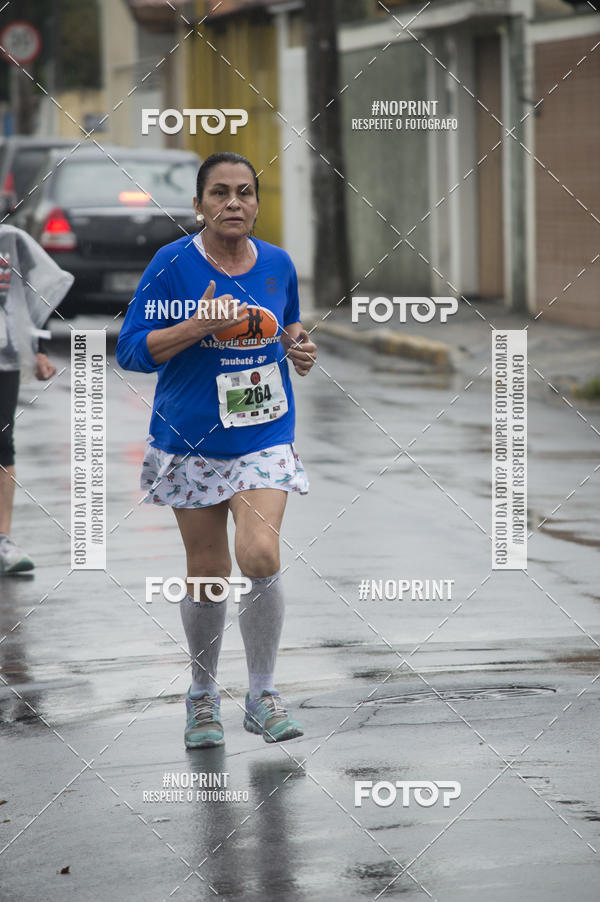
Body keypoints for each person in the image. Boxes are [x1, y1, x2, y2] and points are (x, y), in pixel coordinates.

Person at [116, 151, 317, 748]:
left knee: (259, 554)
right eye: (220, 193)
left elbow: (290, 326)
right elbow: (129, 351)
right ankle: (203, 697)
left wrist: (299, 349)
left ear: (257, 202)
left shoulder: (277, 263)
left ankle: (262, 694)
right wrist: (197, 326)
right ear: (200, 204)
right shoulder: (172, 265)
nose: (234, 203)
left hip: (264, 433)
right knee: (207, 573)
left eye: (245, 193)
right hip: (190, 438)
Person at [0, 224, 74, 573]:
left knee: (3, 443)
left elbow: (29, 297)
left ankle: (2, 541)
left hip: (4, 356)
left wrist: (39, 350)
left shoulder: (11, 241)